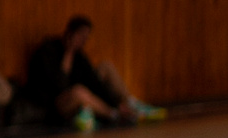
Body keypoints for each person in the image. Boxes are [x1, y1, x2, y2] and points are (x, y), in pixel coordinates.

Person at [26, 16, 163, 130]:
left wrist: (115, 102)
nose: (83, 41)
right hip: (55, 104)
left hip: (82, 98)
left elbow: (94, 82)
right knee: (79, 91)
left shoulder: (79, 56)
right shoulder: (48, 51)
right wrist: (68, 53)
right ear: (70, 34)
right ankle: (113, 114)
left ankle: (130, 103)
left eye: (86, 37)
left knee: (105, 66)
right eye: (81, 36)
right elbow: (59, 85)